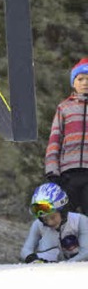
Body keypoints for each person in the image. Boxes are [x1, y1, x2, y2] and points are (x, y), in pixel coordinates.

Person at [45, 58, 88, 213]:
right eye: (80, 79)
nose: (85, 83)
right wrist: (52, 172)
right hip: (68, 174)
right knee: (63, 218)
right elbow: (54, 141)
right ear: (73, 82)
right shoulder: (64, 108)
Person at [21, 182, 88, 263]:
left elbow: (86, 253)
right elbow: (26, 250)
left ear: (63, 211)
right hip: (54, 267)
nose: (50, 223)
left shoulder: (80, 220)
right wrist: (33, 259)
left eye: (53, 217)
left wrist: (62, 266)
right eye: (44, 219)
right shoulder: (38, 224)